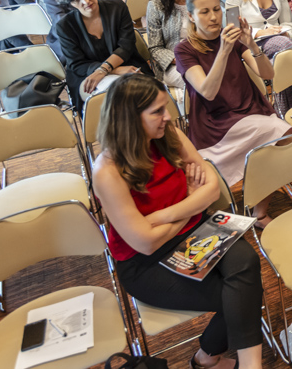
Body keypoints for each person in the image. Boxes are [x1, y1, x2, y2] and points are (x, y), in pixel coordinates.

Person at [93, 73, 266, 369]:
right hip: (144, 263)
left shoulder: (167, 133)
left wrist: (163, 215)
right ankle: (210, 360)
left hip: (193, 228)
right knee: (242, 292)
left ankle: (213, 360)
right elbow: (145, 243)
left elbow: (212, 189)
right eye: (157, 111)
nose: (168, 116)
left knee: (246, 264)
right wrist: (190, 201)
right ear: (130, 119)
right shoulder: (107, 171)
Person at [177, 0, 292, 205]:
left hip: (249, 109)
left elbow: (267, 74)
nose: (214, 17)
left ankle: (261, 212)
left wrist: (252, 44)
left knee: (273, 144)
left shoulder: (232, 37)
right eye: (204, 12)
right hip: (217, 123)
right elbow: (207, 91)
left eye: (217, 9)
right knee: (278, 134)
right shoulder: (184, 50)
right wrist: (224, 51)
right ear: (191, 16)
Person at [55, 0, 152, 106]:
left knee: (139, 94)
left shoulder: (117, 8)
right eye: (76, 0)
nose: (86, 1)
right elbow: (77, 64)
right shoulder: (65, 26)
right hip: (88, 74)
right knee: (119, 96)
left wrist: (104, 69)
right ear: (70, 3)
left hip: (126, 62)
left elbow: (126, 46)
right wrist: (111, 70)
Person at [146, 0, 195, 89]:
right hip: (174, 63)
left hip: (203, 56)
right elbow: (155, 48)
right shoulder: (156, 6)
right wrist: (181, 59)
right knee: (200, 81)